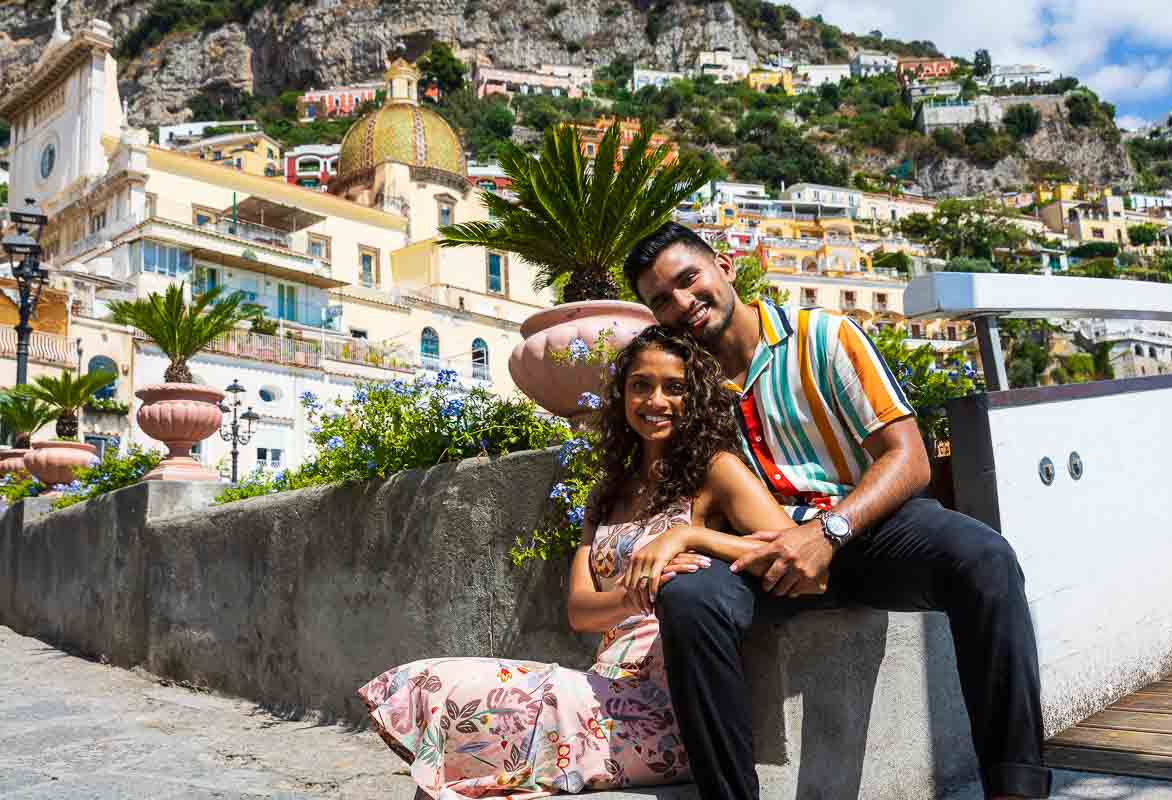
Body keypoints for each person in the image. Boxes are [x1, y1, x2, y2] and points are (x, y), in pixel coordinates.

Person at [621, 222, 1051, 800]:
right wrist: (689, 539)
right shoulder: (687, 390)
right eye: (661, 301)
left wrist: (830, 531)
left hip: (867, 531)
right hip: (764, 555)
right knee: (690, 601)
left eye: (688, 279)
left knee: (985, 557)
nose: (682, 304)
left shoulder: (823, 337)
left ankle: (1016, 787)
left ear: (724, 264)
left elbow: (909, 457)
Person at [358, 326, 800, 799]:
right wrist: (635, 593)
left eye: (674, 387)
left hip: (671, 708)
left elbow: (791, 548)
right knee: (440, 688)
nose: (656, 400)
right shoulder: (607, 495)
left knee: (457, 693)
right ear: (623, 396)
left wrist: (689, 533)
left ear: (695, 397)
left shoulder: (717, 470)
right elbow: (580, 610)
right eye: (641, 385)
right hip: (603, 687)